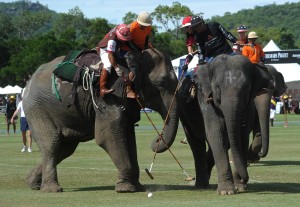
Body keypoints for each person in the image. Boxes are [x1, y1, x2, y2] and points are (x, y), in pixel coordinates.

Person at [96, 24, 132, 97]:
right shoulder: (112, 41)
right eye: (122, 39)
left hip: (116, 48)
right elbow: (110, 55)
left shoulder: (124, 28)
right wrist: (116, 68)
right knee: (108, 64)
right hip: (104, 49)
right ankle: (102, 89)